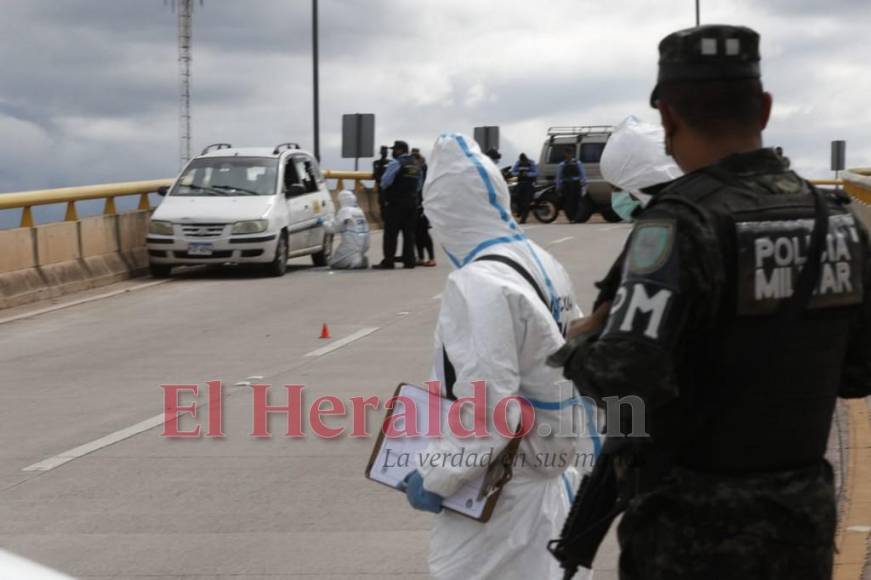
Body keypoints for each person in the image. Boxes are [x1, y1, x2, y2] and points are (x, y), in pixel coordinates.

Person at [549, 24, 871, 580]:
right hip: (801, 523)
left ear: (668, 117)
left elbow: (625, 378)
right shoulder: (836, 219)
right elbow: (858, 374)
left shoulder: (677, 226)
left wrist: (577, 347)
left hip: (688, 532)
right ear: (765, 108)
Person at [402, 133, 598, 580]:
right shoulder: (541, 263)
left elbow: (492, 413)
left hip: (503, 498)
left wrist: (437, 477)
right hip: (550, 484)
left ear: (442, 214)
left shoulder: (478, 283)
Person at [374, 140, 421, 269]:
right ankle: (409, 261)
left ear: (399, 150)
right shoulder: (415, 165)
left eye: (394, 150)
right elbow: (418, 185)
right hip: (412, 203)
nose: (392, 152)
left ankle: (389, 261)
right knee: (409, 233)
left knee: (391, 233)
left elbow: (385, 182)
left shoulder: (396, 163)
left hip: (396, 203)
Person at [328, 190, 370, 269]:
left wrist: (323, 224)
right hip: (363, 245)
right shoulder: (359, 211)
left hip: (351, 245)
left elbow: (334, 227)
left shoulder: (345, 211)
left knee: (334, 263)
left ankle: (355, 262)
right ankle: (359, 258)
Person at [411, 148, 436, 266]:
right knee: (416, 232)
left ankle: (431, 258)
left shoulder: (423, 170)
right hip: (417, 204)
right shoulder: (420, 170)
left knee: (423, 233)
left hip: (423, 204)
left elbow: (421, 189)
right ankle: (421, 257)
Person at [556, 150, 586, 223]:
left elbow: (582, 175)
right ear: (565, 154)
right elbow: (558, 177)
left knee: (576, 201)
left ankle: (575, 218)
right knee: (568, 202)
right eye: (567, 154)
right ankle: (571, 218)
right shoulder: (562, 164)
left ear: (572, 154)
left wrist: (584, 186)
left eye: (570, 153)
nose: (568, 155)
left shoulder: (577, 163)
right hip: (566, 185)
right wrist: (558, 187)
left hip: (576, 184)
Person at [511, 152, 539, 223]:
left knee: (526, 202)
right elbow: (513, 172)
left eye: (524, 160)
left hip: (529, 184)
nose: (523, 161)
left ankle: (523, 218)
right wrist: (519, 174)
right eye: (522, 160)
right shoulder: (518, 163)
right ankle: (519, 211)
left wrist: (527, 174)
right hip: (520, 184)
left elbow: (536, 173)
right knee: (515, 197)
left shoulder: (531, 162)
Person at [373, 145, 391, 220]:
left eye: (386, 151)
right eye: (383, 151)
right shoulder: (376, 163)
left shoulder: (391, 162)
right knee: (382, 203)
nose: (384, 153)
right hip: (381, 186)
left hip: (389, 187)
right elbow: (375, 174)